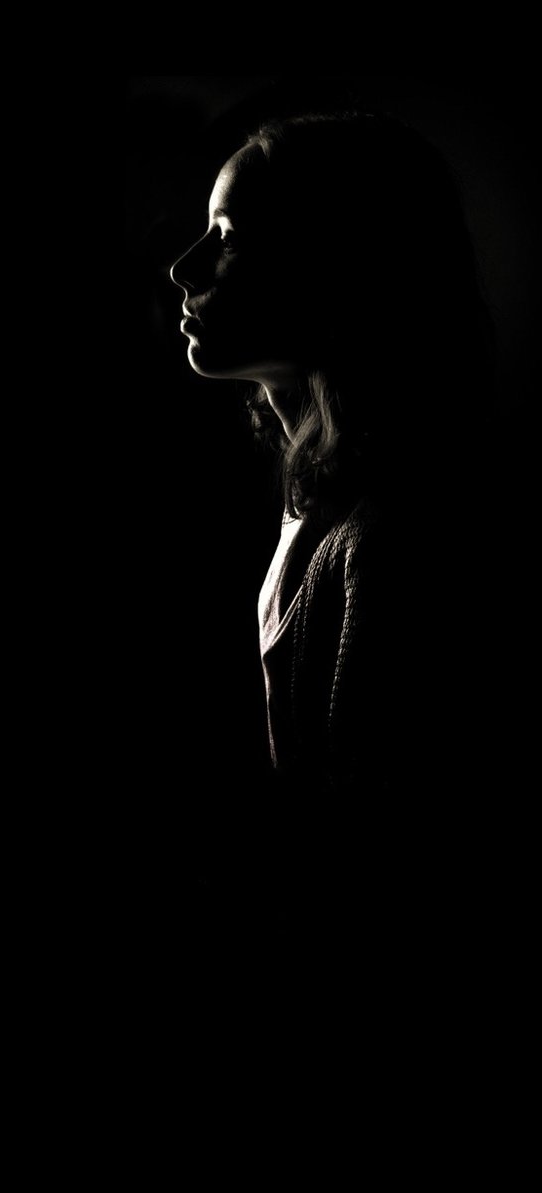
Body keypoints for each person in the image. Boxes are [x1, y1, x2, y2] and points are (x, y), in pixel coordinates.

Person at [168, 110, 508, 908]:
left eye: (227, 237)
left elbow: (369, 848)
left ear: (333, 268)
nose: (183, 269)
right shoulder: (311, 495)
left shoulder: (386, 538)